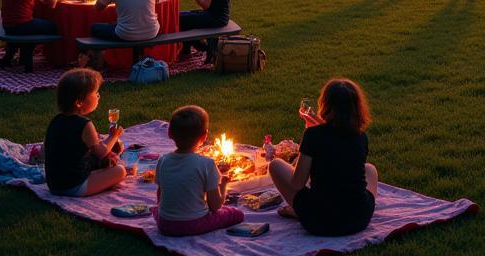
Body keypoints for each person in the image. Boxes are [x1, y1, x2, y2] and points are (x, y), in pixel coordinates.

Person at [269, 79, 378, 236]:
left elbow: (297, 183)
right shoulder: (361, 137)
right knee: (370, 169)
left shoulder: (313, 135)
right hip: (358, 219)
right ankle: (300, 209)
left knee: (275, 165)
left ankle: (297, 210)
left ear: (325, 104)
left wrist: (306, 146)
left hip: (320, 220)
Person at [153, 105, 245, 236]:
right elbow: (215, 207)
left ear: (169, 133)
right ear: (204, 136)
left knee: (157, 210)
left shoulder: (163, 161)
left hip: (165, 224)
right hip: (194, 224)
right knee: (236, 214)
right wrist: (223, 186)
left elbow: (160, 196)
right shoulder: (207, 163)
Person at [44, 69, 126, 196]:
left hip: (54, 184)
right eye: (95, 93)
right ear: (79, 102)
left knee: (101, 165)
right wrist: (113, 136)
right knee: (120, 171)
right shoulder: (84, 124)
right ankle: (102, 184)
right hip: (73, 186)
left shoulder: (56, 120)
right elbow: (101, 153)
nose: (98, 96)